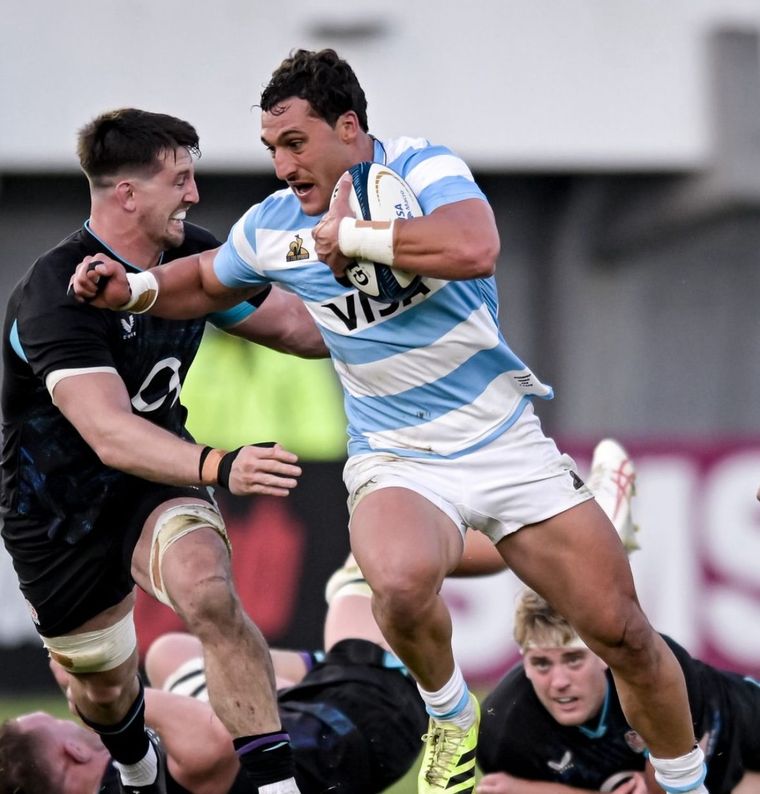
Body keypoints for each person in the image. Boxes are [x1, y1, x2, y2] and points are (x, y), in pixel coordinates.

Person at [69, 50, 707, 794]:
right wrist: (135, 289)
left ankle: (686, 781)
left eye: (296, 144)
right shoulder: (275, 225)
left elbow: (475, 247)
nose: (282, 166)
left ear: (349, 127)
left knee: (624, 637)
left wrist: (360, 240)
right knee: (395, 583)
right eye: (273, 149)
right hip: (396, 454)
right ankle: (449, 713)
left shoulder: (424, 170)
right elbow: (208, 280)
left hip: (504, 442)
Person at [1, 108, 328, 793]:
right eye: (180, 179)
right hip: (56, 518)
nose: (194, 193)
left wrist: (398, 305)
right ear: (127, 194)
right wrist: (221, 464)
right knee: (104, 691)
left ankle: (275, 785)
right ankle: (138, 767)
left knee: (208, 592)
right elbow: (109, 433)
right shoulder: (52, 297)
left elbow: (298, 329)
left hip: (153, 483)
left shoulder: (189, 258)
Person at [0, 558, 428, 794]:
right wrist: (103, 693)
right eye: (61, 721)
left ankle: (324, 666)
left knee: (171, 653)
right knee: (376, 560)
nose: (71, 718)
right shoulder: (162, 769)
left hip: (322, 724)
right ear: (72, 751)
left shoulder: (123, 778)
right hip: (374, 720)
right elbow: (214, 741)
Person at [476, 588, 760, 794]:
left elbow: (664, 791)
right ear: (523, 662)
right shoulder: (503, 731)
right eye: (541, 664)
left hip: (746, 749)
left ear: (602, 655)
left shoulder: (654, 675)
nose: (558, 681)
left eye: (573, 659)